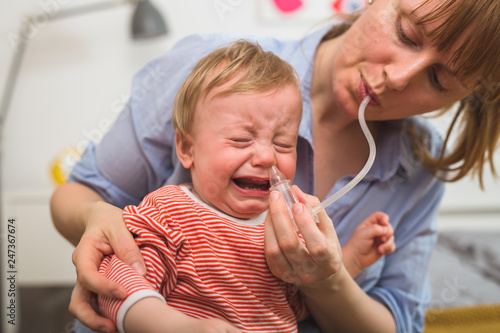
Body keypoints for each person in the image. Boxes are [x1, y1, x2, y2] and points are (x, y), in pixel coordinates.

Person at [50, 0, 500, 332]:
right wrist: (98, 218)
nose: (398, 77)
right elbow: (82, 192)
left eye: (439, 80)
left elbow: (396, 321)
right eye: (405, 34)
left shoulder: (417, 165)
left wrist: (330, 278)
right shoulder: (214, 72)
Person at [97, 40, 395, 333]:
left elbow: (294, 305)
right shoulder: (170, 211)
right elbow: (119, 281)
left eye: (283, 143)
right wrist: (180, 326)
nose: (267, 156)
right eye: (241, 139)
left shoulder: (283, 230)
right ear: (187, 148)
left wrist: (350, 259)